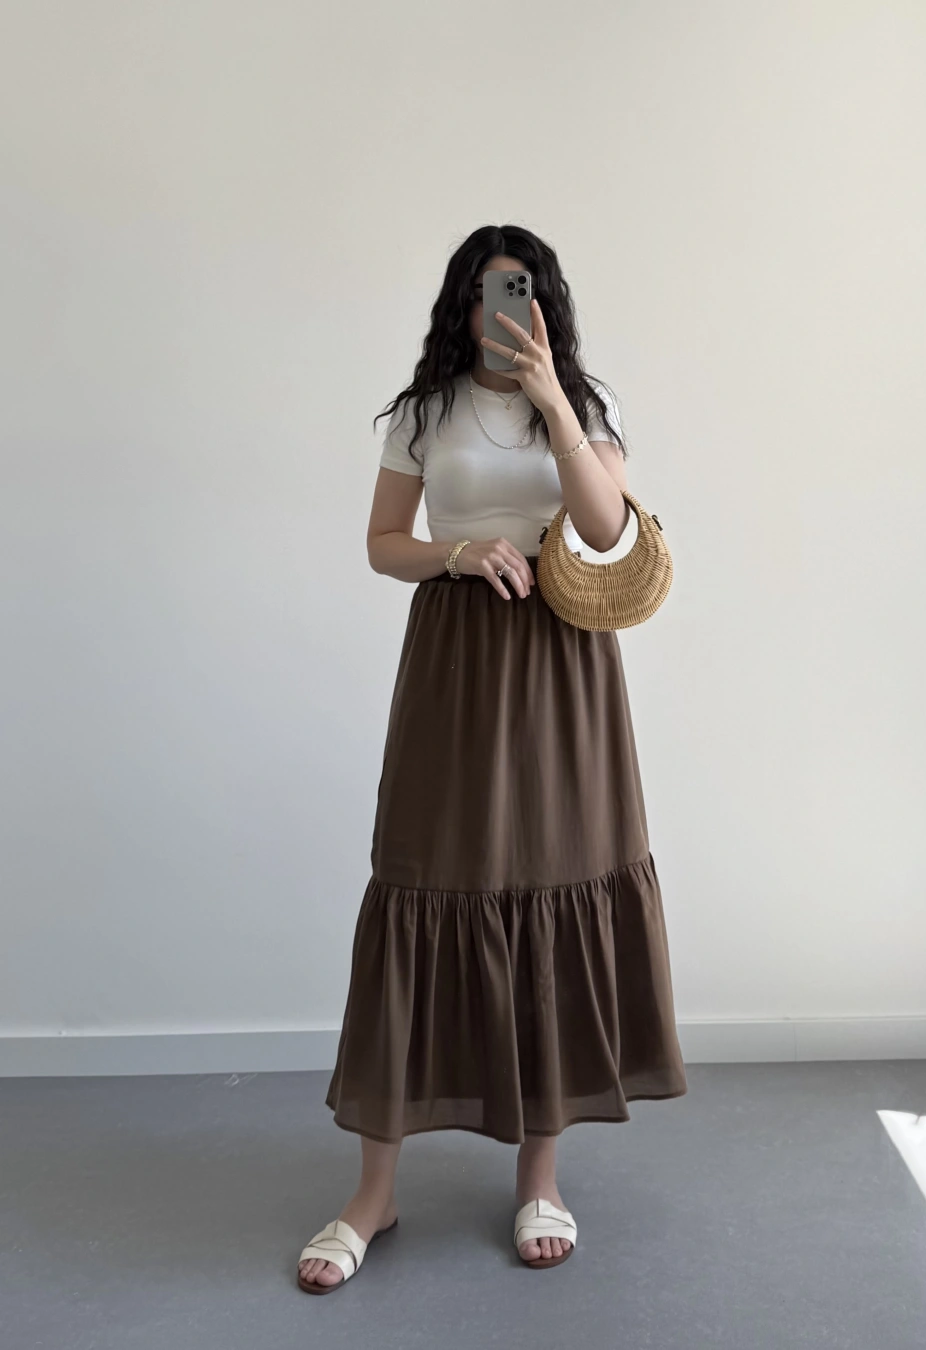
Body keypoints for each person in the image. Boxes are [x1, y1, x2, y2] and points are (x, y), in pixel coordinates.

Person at [297, 224, 687, 1293]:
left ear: (545, 304)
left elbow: (603, 528)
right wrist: (458, 552)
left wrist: (555, 400)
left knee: (555, 883)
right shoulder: (424, 413)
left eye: (518, 292)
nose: (497, 312)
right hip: (455, 661)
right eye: (482, 293)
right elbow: (383, 544)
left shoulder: (587, 410)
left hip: (565, 670)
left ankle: (540, 1178)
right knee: (424, 882)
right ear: (459, 306)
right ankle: (374, 1193)